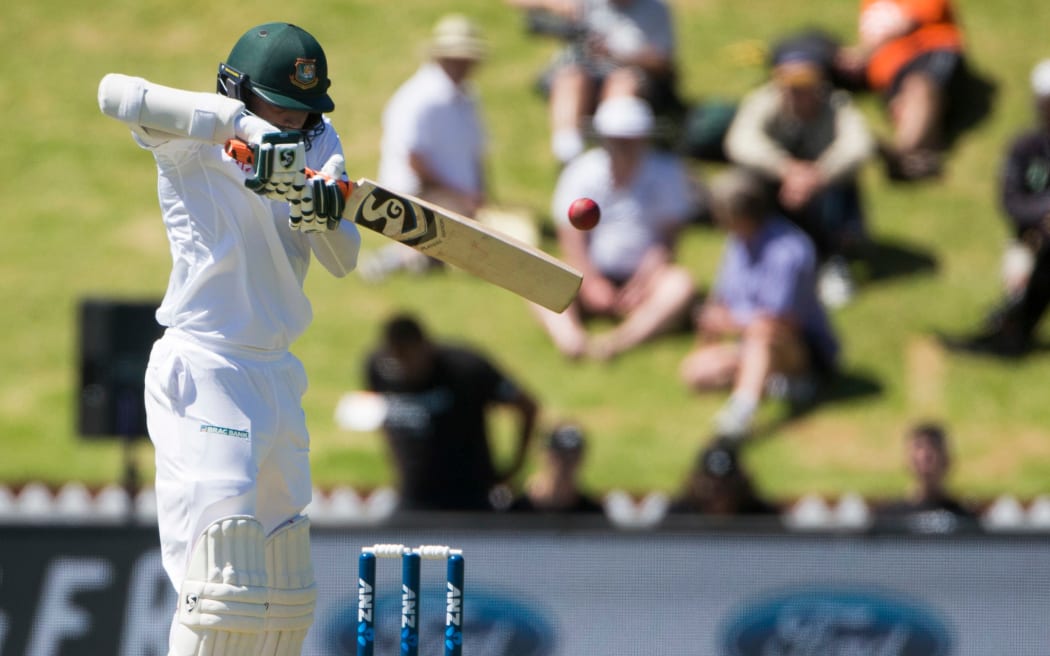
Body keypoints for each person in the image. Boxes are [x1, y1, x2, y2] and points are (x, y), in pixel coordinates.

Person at [98, 23, 361, 655]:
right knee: (220, 584)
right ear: (237, 90)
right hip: (205, 371)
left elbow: (343, 259)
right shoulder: (190, 139)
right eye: (282, 107)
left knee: (283, 592)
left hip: (276, 375)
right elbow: (113, 92)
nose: (296, 123)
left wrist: (317, 207)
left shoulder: (319, 141)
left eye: (306, 110)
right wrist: (248, 131)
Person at [532, 94, 700, 361]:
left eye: (630, 139)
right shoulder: (582, 171)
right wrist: (591, 282)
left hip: (648, 275)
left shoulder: (667, 172)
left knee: (681, 284)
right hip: (586, 272)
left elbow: (668, 239)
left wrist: (642, 283)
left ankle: (621, 341)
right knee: (535, 276)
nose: (623, 147)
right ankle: (571, 341)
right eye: (617, 139)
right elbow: (570, 235)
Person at [679, 168, 839, 440]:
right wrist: (708, 344)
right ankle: (780, 385)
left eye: (719, 213)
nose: (715, 220)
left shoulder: (790, 250)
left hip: (801, 348)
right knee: (695, 373)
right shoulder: (736, 244)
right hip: (748, 341)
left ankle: (741, 413)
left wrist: (728, 322)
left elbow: (781, 321)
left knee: (761, 335)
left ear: (739, 215)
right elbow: (720, 302)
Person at [724, 43, 876, 308]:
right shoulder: (764, 100)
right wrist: (786, 169)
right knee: (743, 181)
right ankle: (756, 257)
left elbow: (860, 145)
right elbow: (740, 141)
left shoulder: (837, 105)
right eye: (789, 85)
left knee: (843, 184)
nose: (796, 93)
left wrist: (818, 175)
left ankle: (832, 262)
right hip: (778, 192)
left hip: (824, 195)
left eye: (804, 84)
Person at [359, 14, 489, 282]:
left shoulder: (468, 98)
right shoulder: (417, 98)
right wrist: (459, 196)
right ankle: (403, 258)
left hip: (455, 195)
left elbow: (476, 150)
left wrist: (480, 193)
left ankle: (420, 256)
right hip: (418, 193)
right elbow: (413, 160)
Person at [364, 313, 538, 511]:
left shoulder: (466, 369)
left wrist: (515, 466)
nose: (404, 368)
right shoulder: (379, 368)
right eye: (397, 360)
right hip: (412, 497)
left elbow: (527, 406)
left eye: (409, 357)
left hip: (469, 500)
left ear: (425, 346)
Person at [940, 59, 1050, 358]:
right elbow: (1011, 200)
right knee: (1025, 270)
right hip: (1032, 240)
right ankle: (1011, 329)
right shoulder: (1025, 148)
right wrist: (1043, 215)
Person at [507, 0, 682, 164]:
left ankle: (617, 155)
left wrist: (616, 53)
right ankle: (568, 156)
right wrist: (554, 7)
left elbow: (662, 63)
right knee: (570, 78)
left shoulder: (655, 10)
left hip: (637, 82)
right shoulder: (590, 4)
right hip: (592, 75)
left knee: (622, 82)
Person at [835, 0, 966, 180]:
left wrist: (863, 52)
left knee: (919, 87)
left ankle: (902, 154)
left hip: (927, 52)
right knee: (904, 107)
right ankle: (920, 162)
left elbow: (908, 21)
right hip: (891, 74)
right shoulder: (869, 3)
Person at [877, 422, 976, 519]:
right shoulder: (890, 518)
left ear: (947, 460)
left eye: (934, 447)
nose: (924, 455)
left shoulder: (965, 519)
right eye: (918, 446)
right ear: (906, 460)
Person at [509, 422, 604, 513]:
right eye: (560, 454)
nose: (566, 462)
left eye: (574, 454)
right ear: (542, 454)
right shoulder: (513, 509)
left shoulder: (592, 513)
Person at [667, 439, 779, 516]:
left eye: (727, 488)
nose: (719, 496)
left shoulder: (761, 516)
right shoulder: (678, 516)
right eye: (709, 487)